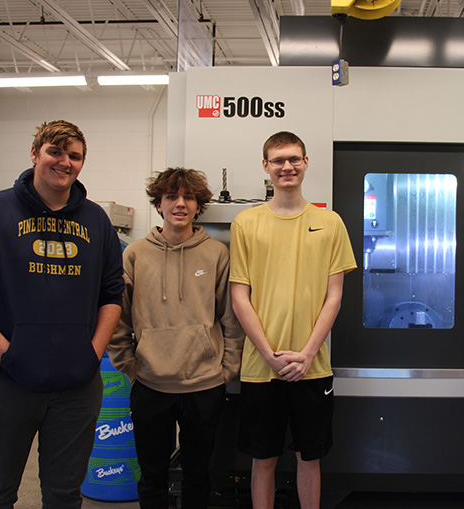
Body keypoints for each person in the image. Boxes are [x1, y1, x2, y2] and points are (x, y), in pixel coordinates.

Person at [0, 120, 125, 508]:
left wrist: (92, 353)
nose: (65, 162)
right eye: (55, 152)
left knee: (63, 495)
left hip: (76, 388)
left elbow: (112, 294)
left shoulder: (96, 221)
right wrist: (7, 354)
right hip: (4, 382)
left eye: (74, 156)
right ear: (35, 154)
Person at [229, 131, 356, 509]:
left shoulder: (330, 222)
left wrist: (305, 354)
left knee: (309, 457)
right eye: (279, 160)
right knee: (262, 458)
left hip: (312, 368)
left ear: (305, 163)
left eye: (294, 159)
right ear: (265, 166)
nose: (287, 166)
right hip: (259, 368)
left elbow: (334, 296)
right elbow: (240, 296)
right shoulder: (246, 223)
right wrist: (270, 355)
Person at [108, 168, 243, 509]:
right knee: (152, 477)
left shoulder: (216, 254)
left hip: (205, 385)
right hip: (151, 385)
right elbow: (117, 318)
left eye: (189, 197)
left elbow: (230, 316)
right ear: (159, 204)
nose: (180, 204)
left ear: (199, 206)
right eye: (171, 196)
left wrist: (227, 369)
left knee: (198, 476)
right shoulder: (135, 254)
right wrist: (129, 365)